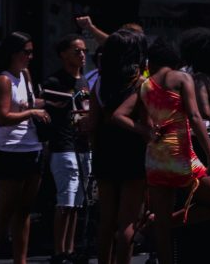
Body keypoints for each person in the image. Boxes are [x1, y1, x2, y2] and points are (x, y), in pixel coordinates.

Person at [113, 37, 210, 264]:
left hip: (155, 158)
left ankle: (161, 224)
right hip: (182, 156)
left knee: (163, 231)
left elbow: (118, 115)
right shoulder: (183, 78)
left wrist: (145, 130)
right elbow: (195, 117)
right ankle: (163, 222)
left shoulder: (144, 85)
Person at [0, 31, 51, 264]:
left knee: (25, 209)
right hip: (11, 150)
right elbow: (2, 117)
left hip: (32, 146)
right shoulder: (3, 80)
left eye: (32, 52)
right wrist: (32, 112)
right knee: (5, 209)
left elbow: (30, 102)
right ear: (13, 53)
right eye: (26, 52)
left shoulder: (25, 75)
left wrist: (52, 102)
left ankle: (20, 260)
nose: (30, 57)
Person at [88, 29, 148, 264]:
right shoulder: (140, 83)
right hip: (133, 153)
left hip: (104, 152)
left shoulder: (100, 83)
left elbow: (91, 123)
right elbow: (147, 122)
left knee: (106, 219)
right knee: (128, 221)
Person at [43, 34, 91, 263]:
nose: (82, 55)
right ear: (63, 54)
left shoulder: (84, 82)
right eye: (76, 51)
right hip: (63, 144)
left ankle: (70, 249)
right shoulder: (54, 82)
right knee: (66, 199)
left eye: (83, 51)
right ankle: (58, 250)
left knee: (78, 201)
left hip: (83, 144)